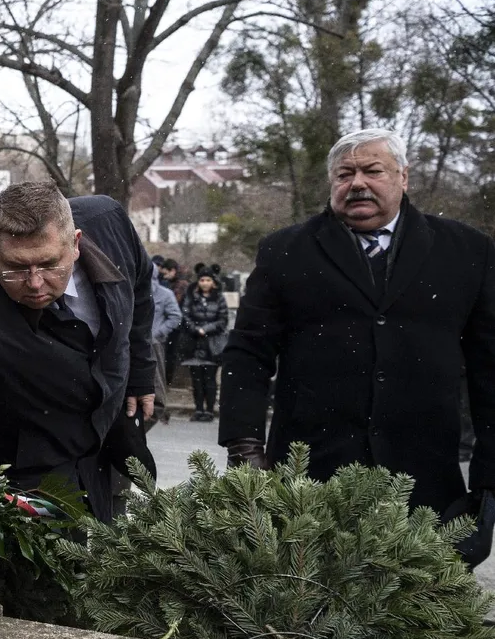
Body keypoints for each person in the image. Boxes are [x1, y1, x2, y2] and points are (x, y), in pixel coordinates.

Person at [219, 129, 495, 563]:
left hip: (425, 481)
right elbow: (247, 354)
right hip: (309, 476)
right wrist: (245, 448)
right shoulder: (286, 251)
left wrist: (487, 482)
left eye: (372, 170)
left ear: (404, 177)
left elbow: (489, 369)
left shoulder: (466, 251)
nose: (358, 183)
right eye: (344, 174)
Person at [0, 181, 155, 572]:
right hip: (32, 463)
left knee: (112, 561)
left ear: (76, 243)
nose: (35, 283)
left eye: (50, 264)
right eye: (16, 268)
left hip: (108, 439)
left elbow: (140, 285)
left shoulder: (110, 221)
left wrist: (140, 371)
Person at [180, 263, 228, 422]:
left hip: (212, 343)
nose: (205, 283)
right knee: (196, 379)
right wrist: (195, 329)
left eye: (208, 280)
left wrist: (206, 329)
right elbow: (185, 316)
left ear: (213, 282)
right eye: (202, 280)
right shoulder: (191, 297)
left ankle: (209, 410)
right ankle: (198, 408)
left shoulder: (219, 298)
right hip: (194, 342)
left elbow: (223, 320)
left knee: (210, 378)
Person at [149, 263, 182, 425]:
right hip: (134, 343)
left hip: (154, 343)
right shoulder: (132, 291)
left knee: (157, 382)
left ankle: (157, 411)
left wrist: (158, 333)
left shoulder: (165, 294)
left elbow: (175, 317)